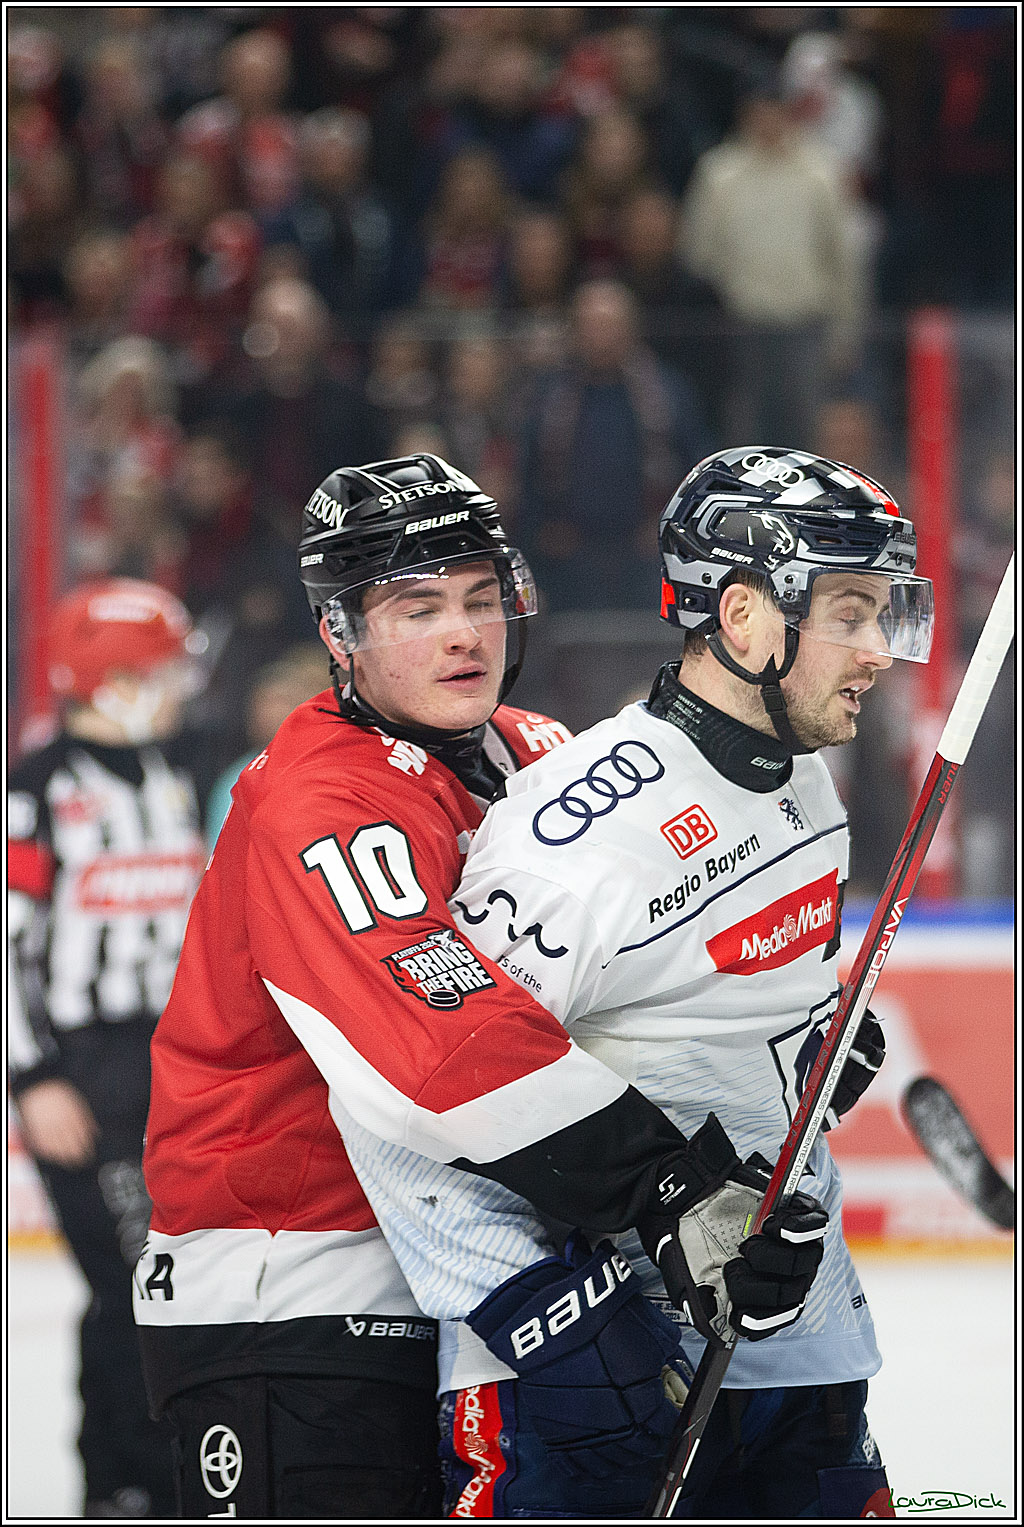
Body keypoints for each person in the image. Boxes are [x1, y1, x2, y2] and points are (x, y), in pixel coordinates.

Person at [334, 445, 930, 1517]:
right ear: (743, 617)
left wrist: (806, 1054)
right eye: (851, 612)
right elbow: (405, 1096)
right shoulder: (581, 840)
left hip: (798, 1349)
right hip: (594, 1390)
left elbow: (706, 1025)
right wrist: (550, 1318)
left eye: (884, 613)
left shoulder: (807, 783)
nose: (879, 650)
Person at [134, 454, 584, 1519]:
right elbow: (446, 1050)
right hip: (293, 1285)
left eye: (481, 598)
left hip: (461, 1274)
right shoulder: (319, 795)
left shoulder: (540, 752)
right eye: (419, 609)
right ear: (340, 634)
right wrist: (664, 1182)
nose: (465, 633)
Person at [8, 578, 206, 1518]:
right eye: (163, 668)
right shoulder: (37, 789)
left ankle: (138, 1480)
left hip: (179, 1057)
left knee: (169, 1278)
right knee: (133, 1280)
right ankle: (129, 1483)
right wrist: (32, 1076)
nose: (180, 685)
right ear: (117, 680)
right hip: (84, 1068)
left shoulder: (176, 767)